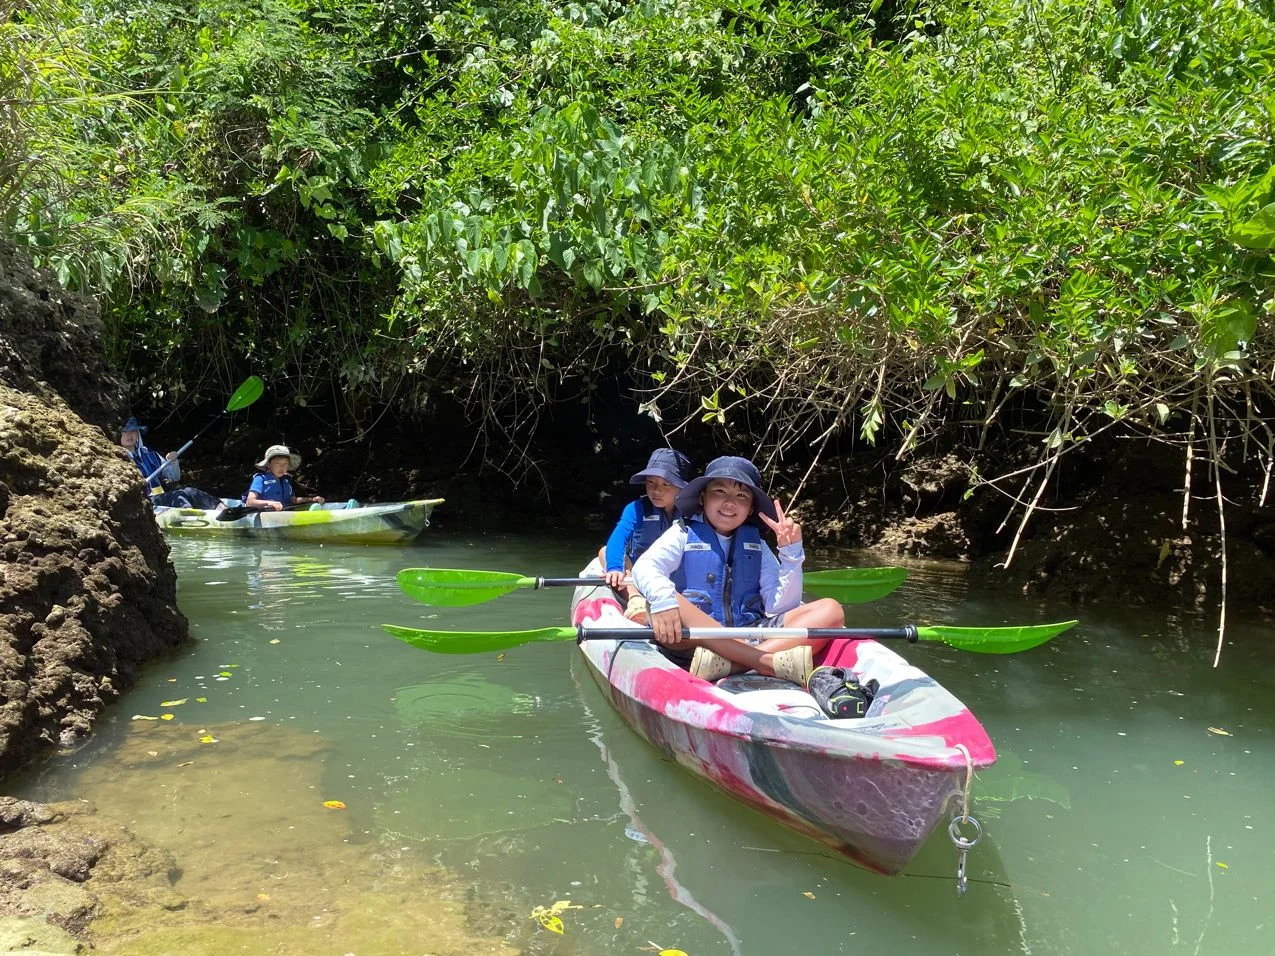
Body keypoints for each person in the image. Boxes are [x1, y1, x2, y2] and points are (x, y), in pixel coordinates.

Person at [631, 455, 845, 685]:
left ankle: (734, 665)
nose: (730, 502)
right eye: (720, 492)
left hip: (750, 634)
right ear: (703, 497)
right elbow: (645, 566)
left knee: (831, 611)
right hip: (696, 640)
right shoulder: (682, 533)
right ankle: (766, 662)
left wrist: (791, 555)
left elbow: (779, 607)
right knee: (663, 601)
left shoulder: (758, 546)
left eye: (741, 495)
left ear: (751, 507)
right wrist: (664, 600)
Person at [600, 448, 694, 622]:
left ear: (682, 487)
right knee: (605, 551)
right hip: (639, 580)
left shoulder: (693, 514)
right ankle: (635, 600)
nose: (656, 491)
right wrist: (614, 567)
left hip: (676, 580)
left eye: (666, 484)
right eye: (651, 483)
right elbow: (618, 537)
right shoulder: (636, 508)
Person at [243, 444, 325, 511]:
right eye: (277, 463)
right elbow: (250, 502)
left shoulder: (287, 480)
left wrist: (311, 499)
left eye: (285, 464)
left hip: (284, 513)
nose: (282, 467)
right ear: (268, 464)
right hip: (265, 513)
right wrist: (271, 503)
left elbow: (293, 500)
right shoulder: (260, 478)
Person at [119, 416, 180, 495]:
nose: (129, 435)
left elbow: (175, 477)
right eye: (124, 431)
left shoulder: (150, 453)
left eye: (133, 431)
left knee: (189, 492)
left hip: (162, 499)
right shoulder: (118, 458)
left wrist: (173, 462)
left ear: (138, 434)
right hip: (143, 504)